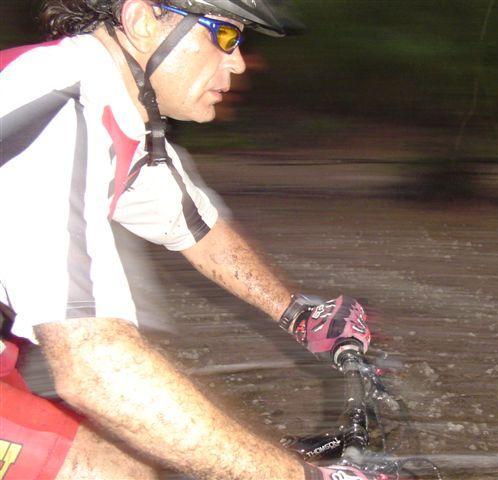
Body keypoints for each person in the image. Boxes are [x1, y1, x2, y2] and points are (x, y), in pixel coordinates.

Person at [0, 1, 377, 479]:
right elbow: (94, 365)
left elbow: (197, 228)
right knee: (116, 472)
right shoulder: (59, 110)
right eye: (225, 35)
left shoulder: (112, 109)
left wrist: (299, 314)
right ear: (141, 20)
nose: (239, 60)